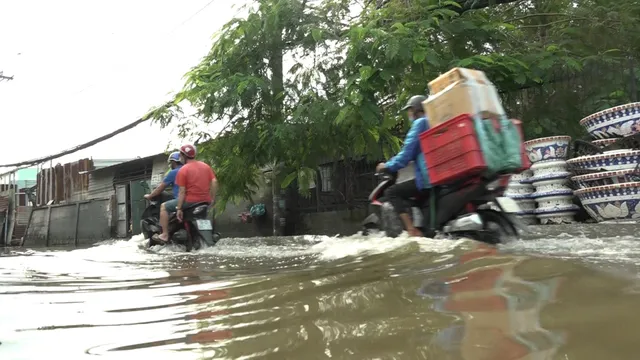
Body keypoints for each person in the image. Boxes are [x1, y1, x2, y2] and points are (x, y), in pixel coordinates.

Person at [376, 95, 431, 237]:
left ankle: (411, 229)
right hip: (438, 174)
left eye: (410, 110)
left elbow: (406, 154)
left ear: (417, 109)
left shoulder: (420, 123)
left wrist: (386, 166)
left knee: (391, 192)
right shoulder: (433, 122)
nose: (409, 114)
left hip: (427, 178)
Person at [153, 144, 218, 243]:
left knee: (164, 207)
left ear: (182, 155)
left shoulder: (183, 170)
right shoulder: (206, 166)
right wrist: (212, 198)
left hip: (190, 202)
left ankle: (165, 235)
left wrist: (179, 208)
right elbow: (214, 182)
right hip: (205, 201)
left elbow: (182, 192)